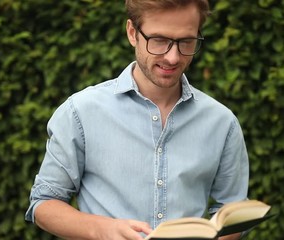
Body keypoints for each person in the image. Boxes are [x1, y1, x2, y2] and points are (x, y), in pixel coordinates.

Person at [25, 1, 249, 239]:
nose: (173, 57)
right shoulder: (80, 112)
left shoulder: (222, 123)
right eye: (160, 40)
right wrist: (102, 229)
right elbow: (44, 203)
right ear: (132, 33)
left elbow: (232, 209)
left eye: (186, 42)